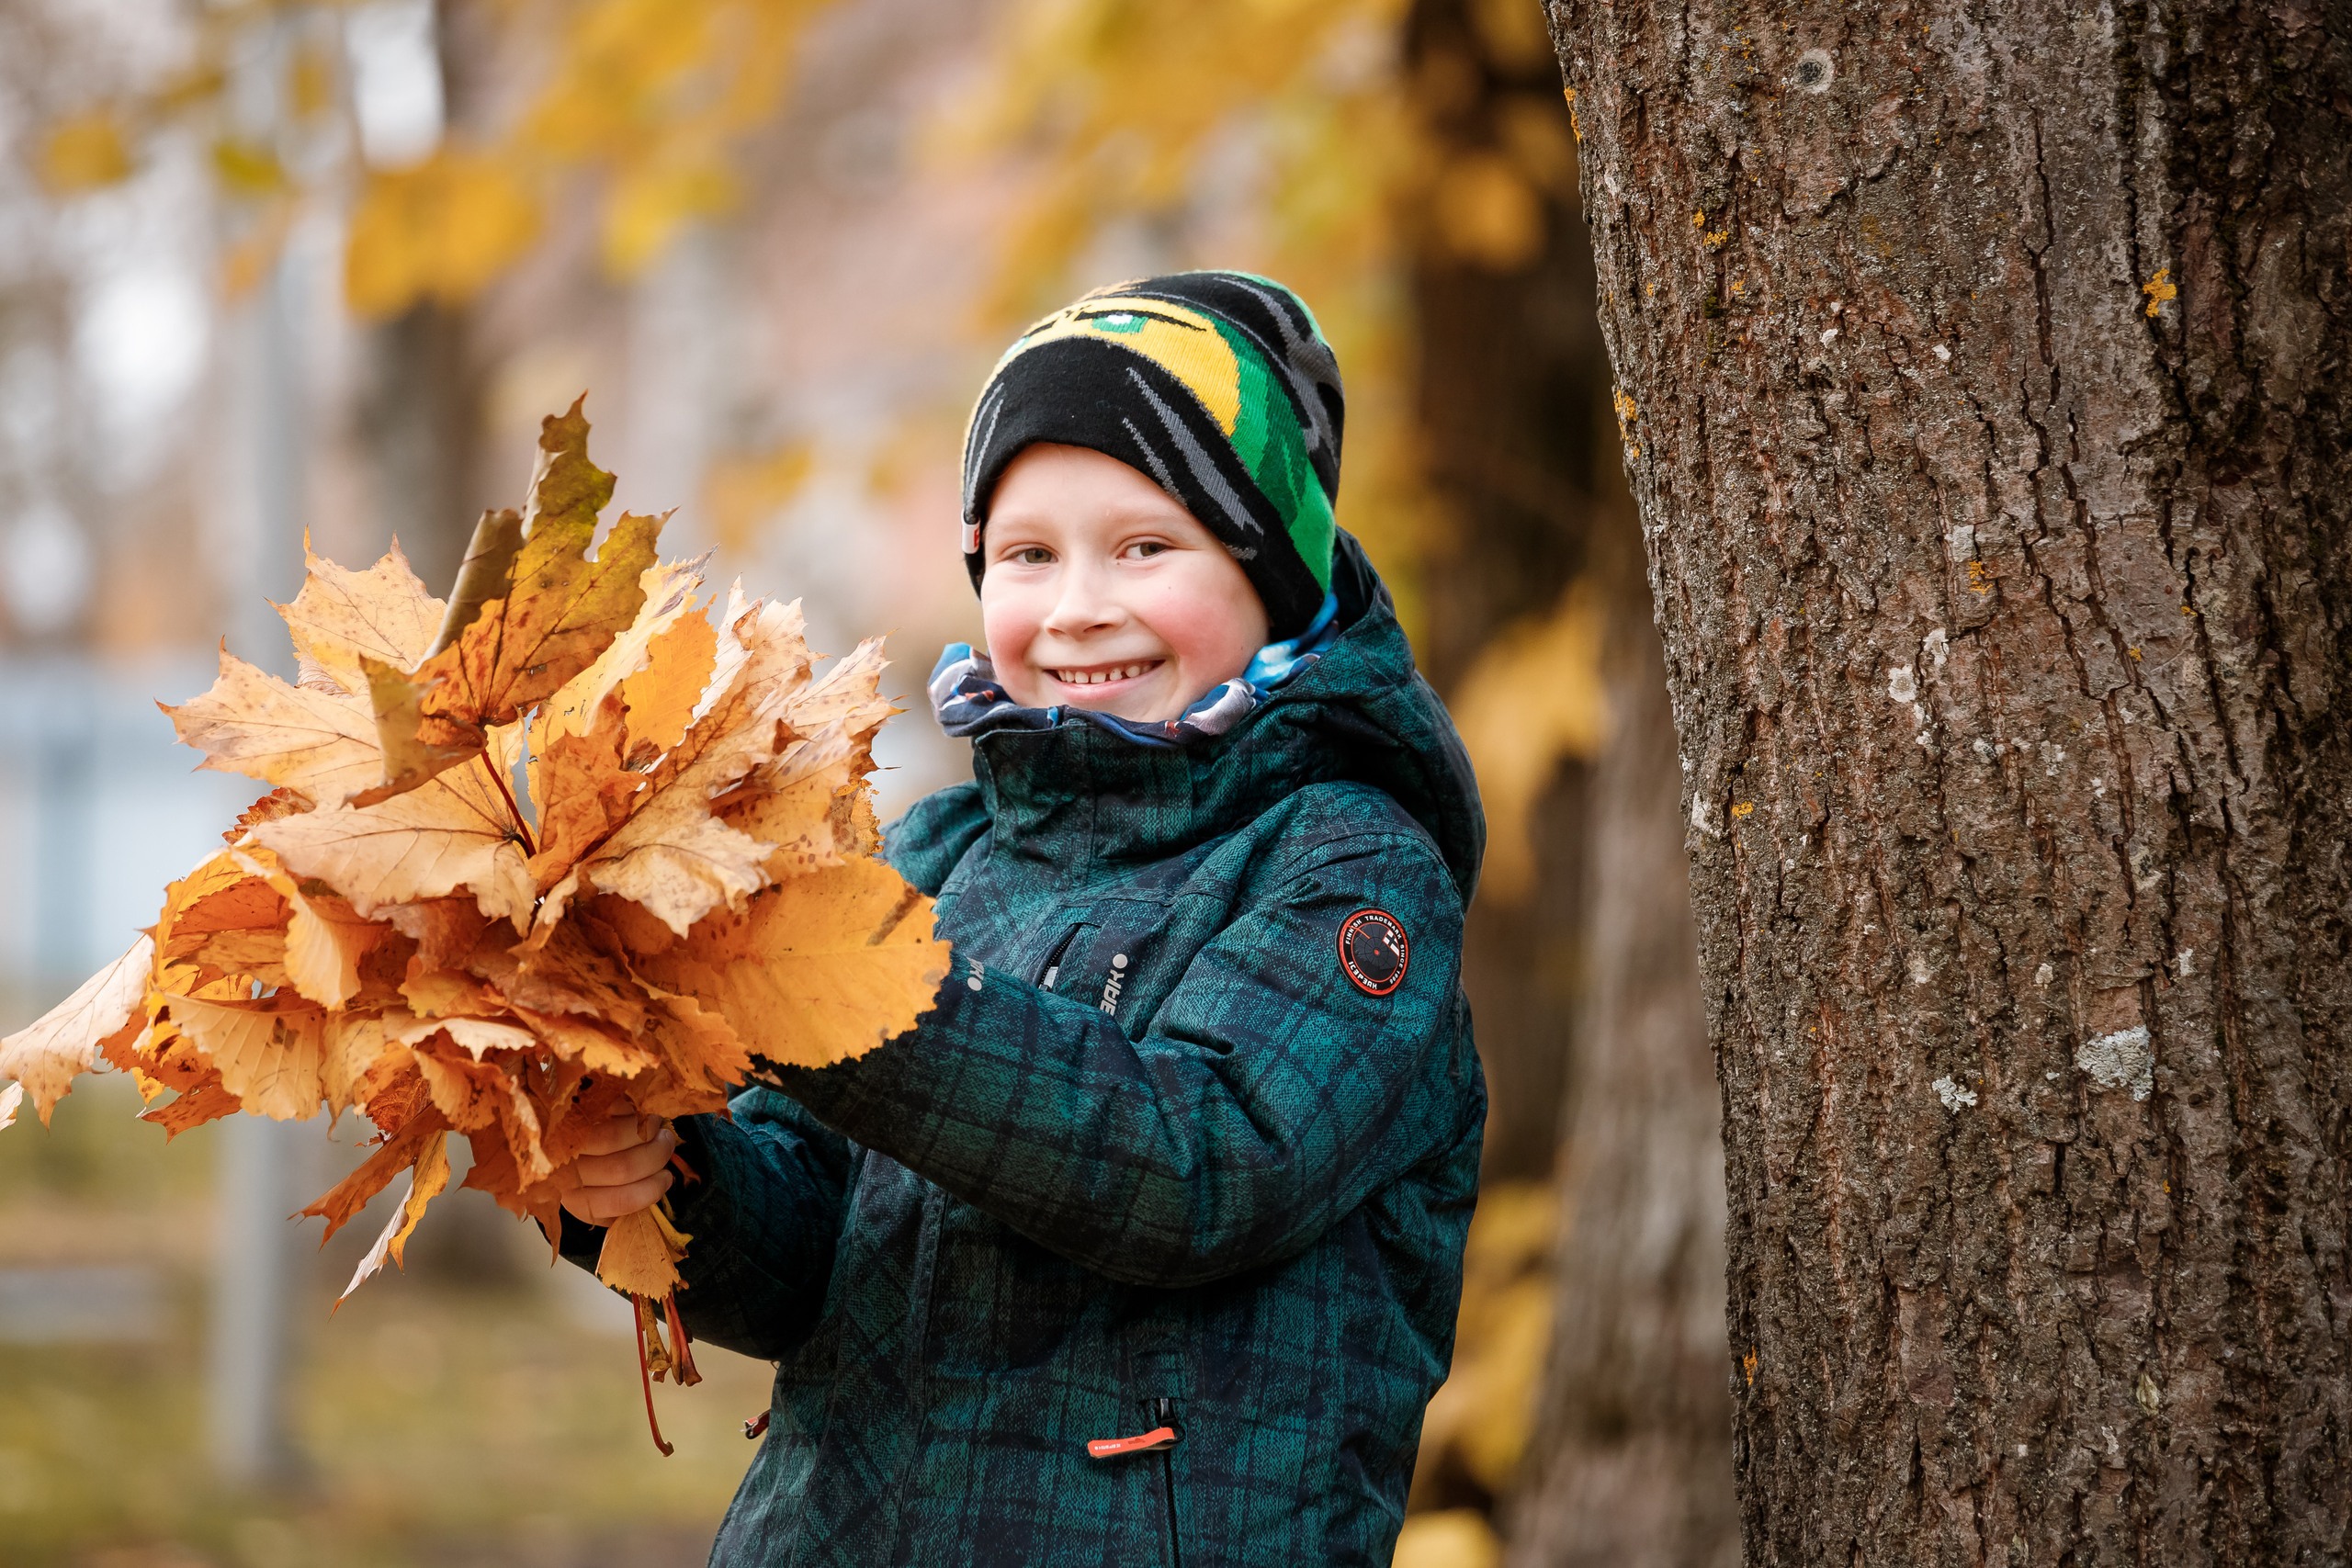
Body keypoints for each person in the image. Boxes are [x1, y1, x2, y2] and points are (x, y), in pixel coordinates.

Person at [550, 272, 1486, 1567]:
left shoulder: (1350, 866)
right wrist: (653, 1183)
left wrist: (843, 995)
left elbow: (1199, 1165)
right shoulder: (939, 856)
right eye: (1029, 554)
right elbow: (809, 1249)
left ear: (1274, 571)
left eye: (1145, 547)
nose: (1077, 606)